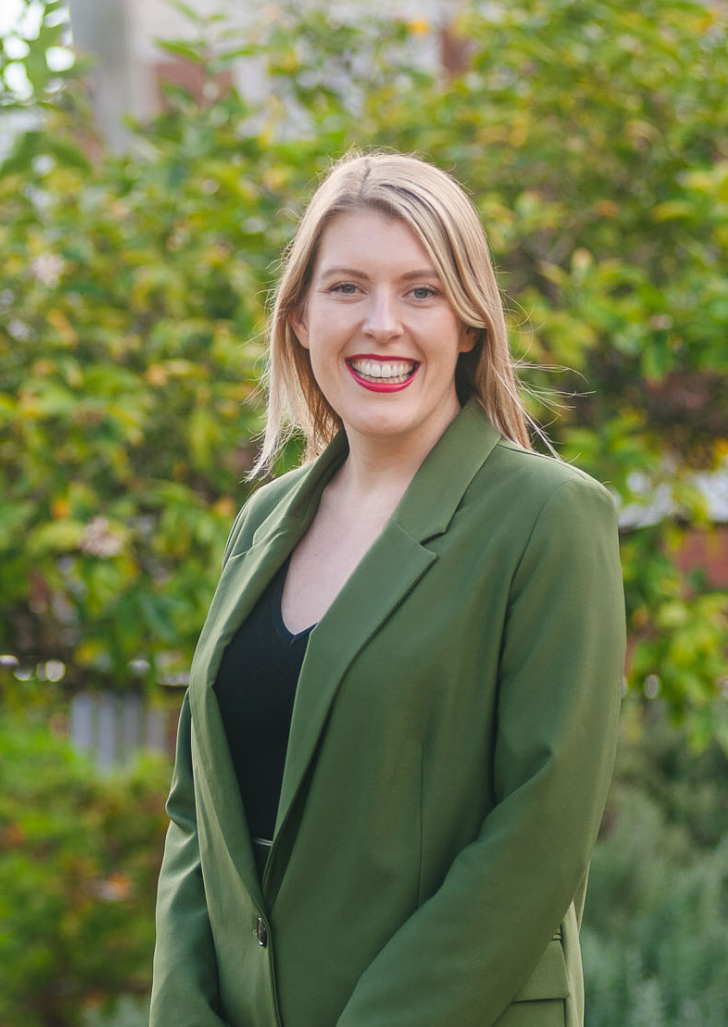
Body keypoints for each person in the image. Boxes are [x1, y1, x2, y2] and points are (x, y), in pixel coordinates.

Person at [149, 151, 626, 1027]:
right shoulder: (264, 522)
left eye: (421, 291)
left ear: (471, 322)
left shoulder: (548, 519)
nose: (382, 324)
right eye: (346, 289)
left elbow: (541, 833)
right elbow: (197, 816)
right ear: (297, 317)